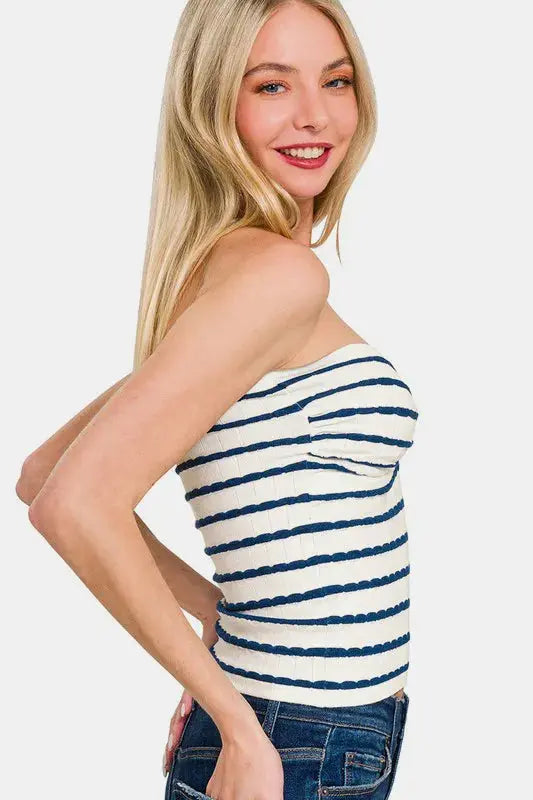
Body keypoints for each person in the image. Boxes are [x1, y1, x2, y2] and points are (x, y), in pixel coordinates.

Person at [17, 1, 418, 798]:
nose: (314, 115)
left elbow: (41, 473)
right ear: (210, 106)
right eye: (271, 85)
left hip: (300, 724)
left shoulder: (234, 271)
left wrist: (214, 624)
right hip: (295, 737)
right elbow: (70, 501)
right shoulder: (278, 276)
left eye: (336, 81)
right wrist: (236, 721)